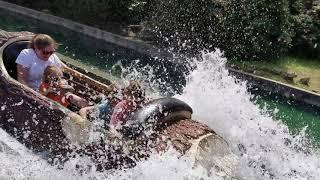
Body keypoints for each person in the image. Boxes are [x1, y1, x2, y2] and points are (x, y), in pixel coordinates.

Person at [79, 80, 146, 127]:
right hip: (100, 124)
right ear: (110, 99)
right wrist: (84, 121)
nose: (117, 100)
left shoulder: (124, 106)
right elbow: (83, 110)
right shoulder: (105, 106)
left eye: (120, 97)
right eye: (114, 99)